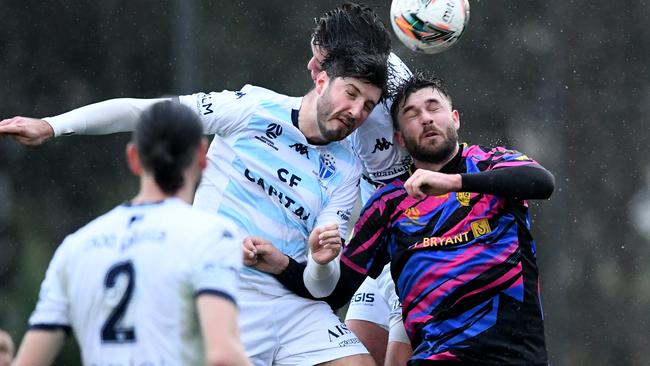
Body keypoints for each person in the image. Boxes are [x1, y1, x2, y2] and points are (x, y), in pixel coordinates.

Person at [1, 46, 387, 364]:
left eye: (368, 105)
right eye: (351, 93)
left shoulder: (348, 167)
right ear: (321, 81)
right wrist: (53, 125)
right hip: (225, 289)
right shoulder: (250, 108)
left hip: (292, 303)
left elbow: (320, 287)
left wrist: (320, 262)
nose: (356, 111)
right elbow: (147, 112)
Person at [247, 72, 555, 365]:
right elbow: (335, 290)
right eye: (411, 114)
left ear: (455, 118)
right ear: (401, 139)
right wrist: (287, 263)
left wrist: (454, 182)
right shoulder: (389, 203)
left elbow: (542, 183)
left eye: (433, 107)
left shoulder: (492, 163)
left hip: (516, 356)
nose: (425, 117)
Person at [12, 102, 249, 365]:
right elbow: (223, 356)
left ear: (134, 158)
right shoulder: (212, 236)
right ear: (202, 156)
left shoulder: (77, 246)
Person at [305, 4, 413, 365]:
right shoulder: (375, 68)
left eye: (318, 60)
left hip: (411, 253)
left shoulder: (378, 119)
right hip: (375, 253)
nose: (310, 68)